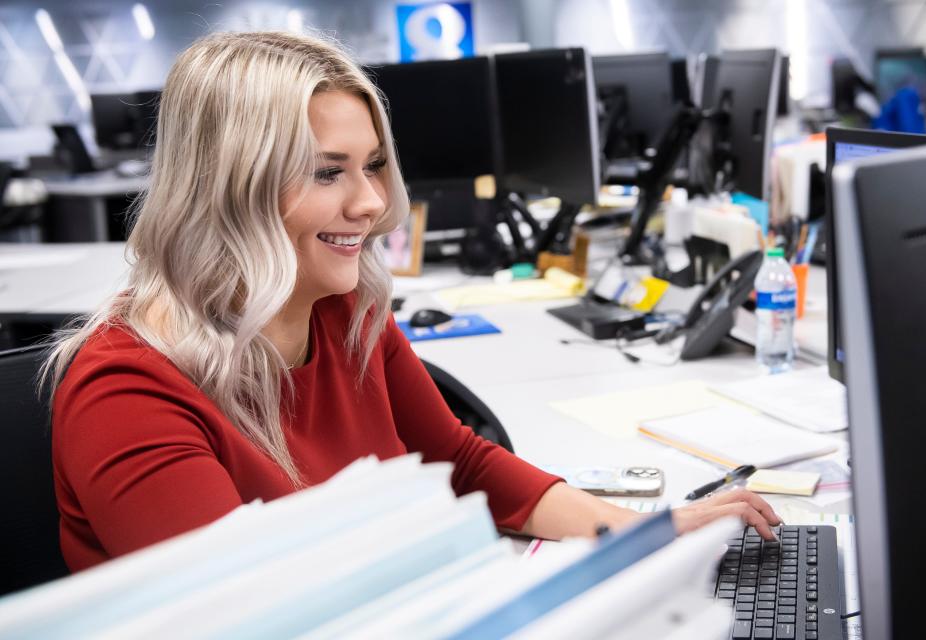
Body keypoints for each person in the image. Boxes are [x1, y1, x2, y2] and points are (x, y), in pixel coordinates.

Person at [42, 32, 780, 573]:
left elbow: (459, 463)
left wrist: (647, 532)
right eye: (327, 172)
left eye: (372, 167)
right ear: (228, 187)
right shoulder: (128, 389)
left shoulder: (344, 312)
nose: (369, 203)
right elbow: (253, 613)